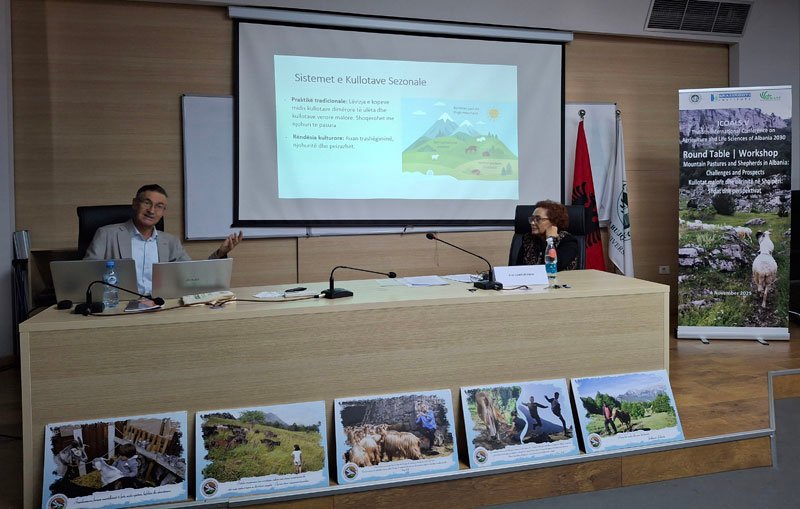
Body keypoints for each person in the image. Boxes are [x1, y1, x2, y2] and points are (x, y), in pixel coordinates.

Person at [84, 184, 243, 296]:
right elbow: (86, 275)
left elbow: (193, 275)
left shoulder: (170, 242)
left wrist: (220, 253)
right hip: (119, 306)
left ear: (163, 212)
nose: (152, 210)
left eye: (159, 206)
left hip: (161, 304)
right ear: (134, 204)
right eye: (147, 203)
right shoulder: (107, 234)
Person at [516, 199, 579, 270]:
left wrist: (550, 240)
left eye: (538, 219)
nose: (532, 223)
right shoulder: (528, 239)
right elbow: (516, 268)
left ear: (553, 221)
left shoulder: (568, 241)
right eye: (532, 219)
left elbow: (554, 266)